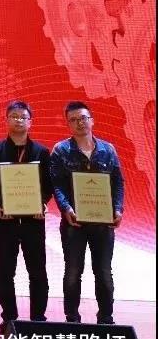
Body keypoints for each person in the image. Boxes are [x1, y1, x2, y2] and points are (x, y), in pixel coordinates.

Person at [0, 100, 52, 334]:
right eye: (14, 116)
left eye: (23, 117)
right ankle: (9, 318)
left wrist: (42, 202)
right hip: (5, 220)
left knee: (37, 270)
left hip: (33, 220)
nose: (18, 120)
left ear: (31, 122)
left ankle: (38, 318)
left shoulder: (42, 152)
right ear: (6, 120)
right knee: (5, 270)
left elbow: (49, 185)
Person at [50, 101, 125, 324]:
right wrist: (66, 208)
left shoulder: (108, 150)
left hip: (103, 223)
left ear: (92, 120)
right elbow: (57, 185)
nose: (79, 123)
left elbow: (118, 183)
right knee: (73, 272)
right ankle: (72, 318)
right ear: (68, 124)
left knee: (103, 272)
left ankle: (106, 318)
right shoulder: (61, 150)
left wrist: (118, 208)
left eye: (83, 118)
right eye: (73, 120)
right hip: (74, 223)